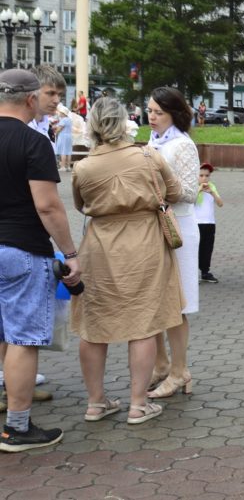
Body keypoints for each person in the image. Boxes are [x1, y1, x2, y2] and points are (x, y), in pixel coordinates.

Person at [71, 97, 185, 427]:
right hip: (146, 243)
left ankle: (96, 403)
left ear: (92, 125)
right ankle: (138, 406)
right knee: (144, 322)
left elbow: (80, 205)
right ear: (124, 122)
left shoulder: (83, 167)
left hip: (100, 245)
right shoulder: (148, 156)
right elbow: (174, 192)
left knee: (94, 325)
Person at [0, 69, 81, 452]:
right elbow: (48, 205)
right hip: (21, 250)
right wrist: (70, 253)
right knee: (22, 339)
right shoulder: (34, 142)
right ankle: (17, 427)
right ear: (31, 99)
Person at [145, 87, 201, 400]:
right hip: (154, 228)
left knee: (177, 305)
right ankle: (161, 364)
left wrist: (155, 187)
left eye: (158, 112)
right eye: (149, 111)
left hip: (178, 229)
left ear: (174, 114)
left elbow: (191, 192)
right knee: (155, 300)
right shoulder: (154, 141)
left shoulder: (182, 145)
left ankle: (180, 370)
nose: (151, 117)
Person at [196, 163, 224, 284]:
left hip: (210, 223)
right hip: (196, 223)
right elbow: (189, 201)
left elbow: (220, 203)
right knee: (195, 249)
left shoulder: (212, 187)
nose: (204, 178)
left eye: (207, 176)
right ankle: (191, 274)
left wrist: (211, 192)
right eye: (201, 175)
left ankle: (205, 272)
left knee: (207, 249)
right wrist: (199, 190)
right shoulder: (192, 187)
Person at [55, 106, 74, 172]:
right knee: (68, 152)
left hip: (63, 136)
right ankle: (68, 166)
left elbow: (60, 128)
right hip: (69, 136)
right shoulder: (69, 119)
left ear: (63, 113)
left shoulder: (63, 120)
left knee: (63, 151)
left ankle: (63, 166)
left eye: (60, 112)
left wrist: (56, 131)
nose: (59, 113)